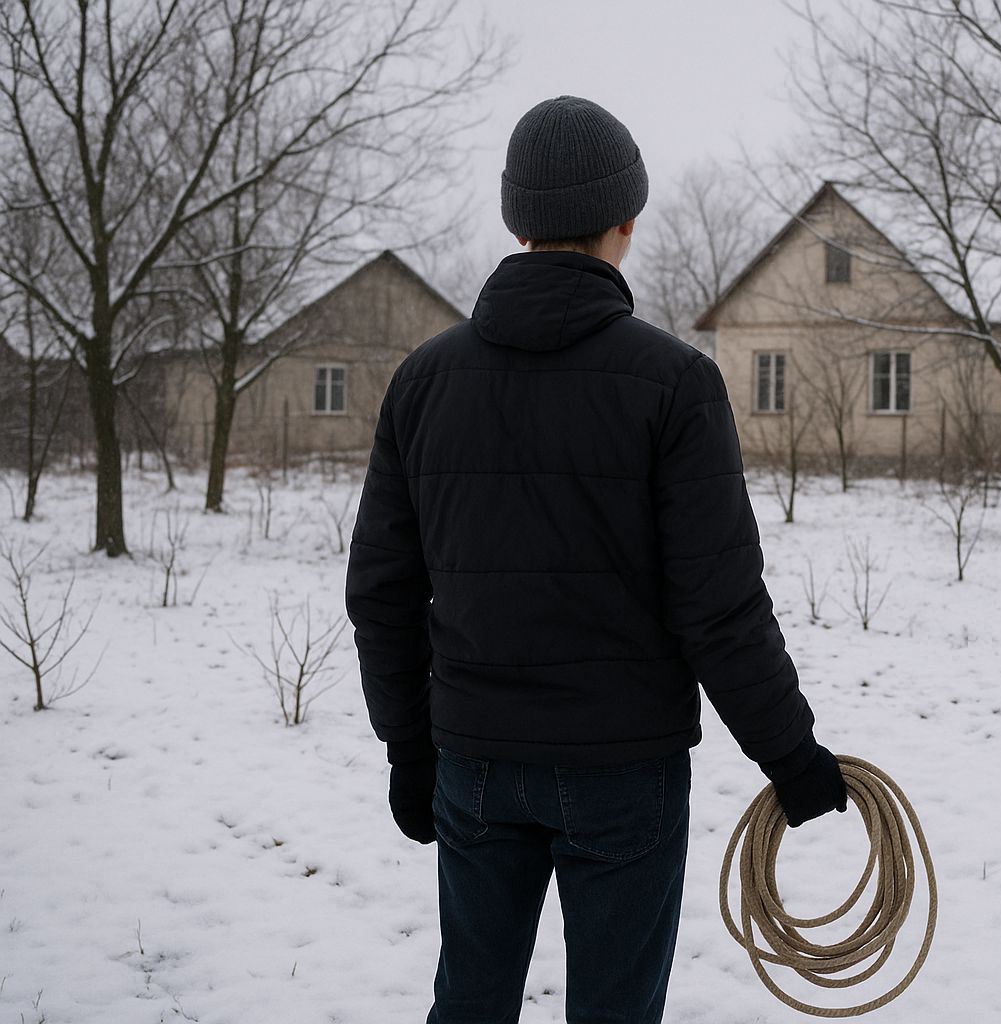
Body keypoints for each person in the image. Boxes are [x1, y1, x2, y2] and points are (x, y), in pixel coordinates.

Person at [345, 95, 847, 1024]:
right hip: (626, 773)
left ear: (515, 218)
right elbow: (719, 607)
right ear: (627, 219)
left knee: (469, 1003)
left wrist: (409, 750)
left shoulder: (423, 381)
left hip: (475, 763)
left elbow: (380, 594)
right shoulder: (675, 383)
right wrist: (792, 756)